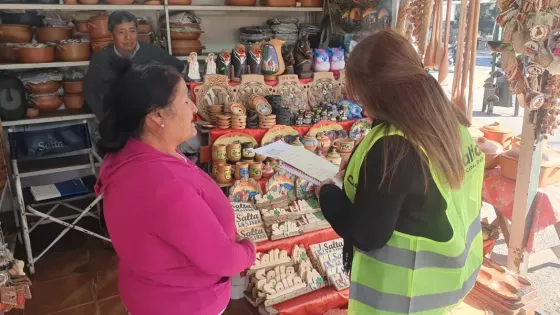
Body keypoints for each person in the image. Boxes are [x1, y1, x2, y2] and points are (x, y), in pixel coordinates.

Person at [316, 29, 484, 315]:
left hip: (402, 298)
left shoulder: (394, 147)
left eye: (359, 95)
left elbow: (367, 234)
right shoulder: (451, 124)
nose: (360, 105)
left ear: (377, 93)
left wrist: (327, 193)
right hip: (447, 283)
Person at [94, 61, 255, 315]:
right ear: (157, 116)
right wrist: (249, 249)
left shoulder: (135, 151)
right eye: (185, 100)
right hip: (183, 304)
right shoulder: (163, 184)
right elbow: (221, 259)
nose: (194, 107)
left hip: (152, 291)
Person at [84, 10, 185, 121]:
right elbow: (91, 93)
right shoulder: (101, 59)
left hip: (147, 118)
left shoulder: (152, 52)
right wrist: (107, 120)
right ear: (112, 35)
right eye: (121, 32)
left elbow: (178, 67)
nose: (128, 37)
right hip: (116, 119)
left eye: (132, 31)